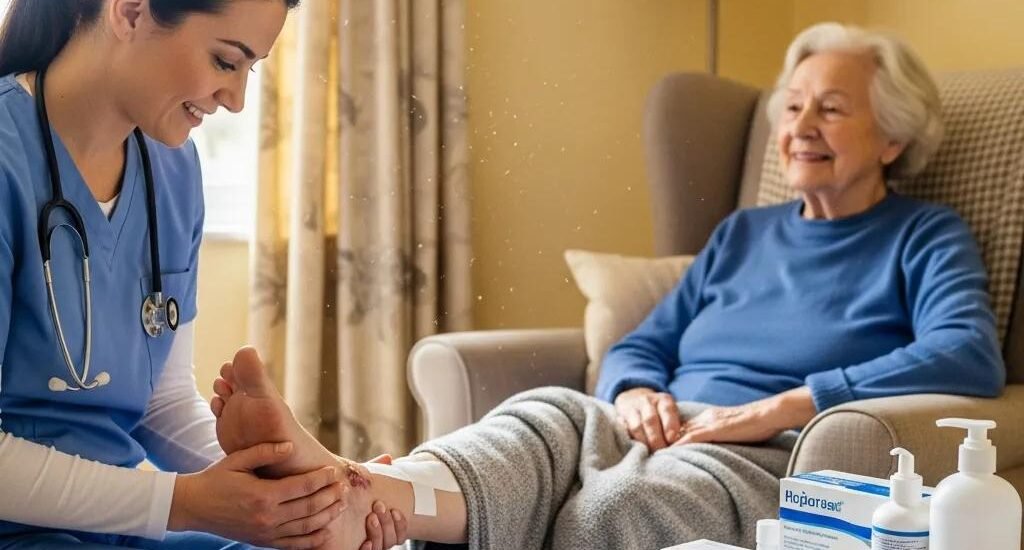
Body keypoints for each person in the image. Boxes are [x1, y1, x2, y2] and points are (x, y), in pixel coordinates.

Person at [209, 21, 1006, 550]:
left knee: (612, 511)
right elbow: (645, 344)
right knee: (536, 419)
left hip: (770, 452)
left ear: (894, 135)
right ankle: (357, 497)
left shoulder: (921, 237)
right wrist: (630, 392)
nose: (797, 128)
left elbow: (967, 352)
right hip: (656, 426)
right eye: (792, 107)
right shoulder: (745, 234)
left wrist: (790, 404)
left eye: (830, 110)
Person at [0, 1, 399, 548]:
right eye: (224, 62)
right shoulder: (5, 158)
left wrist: (303, 494)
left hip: (120, 528)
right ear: (132, 11)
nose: (236, 102)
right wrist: (182, 503)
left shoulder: (173, 169)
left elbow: (160, 404)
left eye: (249, 69)